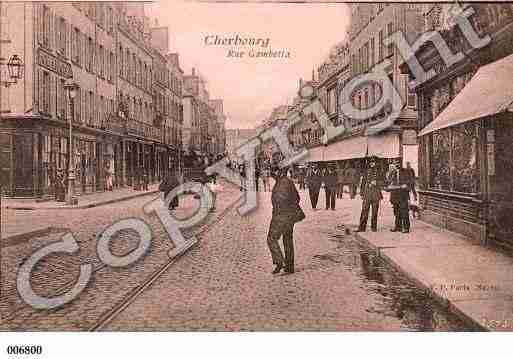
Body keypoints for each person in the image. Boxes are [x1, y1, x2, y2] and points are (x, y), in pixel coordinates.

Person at [267, 166, 305, 274]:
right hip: (290, 217)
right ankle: (289, 266)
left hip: (280, 217)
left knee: (271, 239)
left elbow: (279, 202)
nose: (272, 175)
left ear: (278, 172)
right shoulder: (288, 181)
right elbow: (297, 198)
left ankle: (280, 262)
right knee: (287, 239)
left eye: (273, 172)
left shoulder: (281, 183)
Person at [355, 156, 383, 233]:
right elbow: (363, 182)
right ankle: (361, 227)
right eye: (370, 162)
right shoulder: (366, 171)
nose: (372, 164)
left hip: (376, 194)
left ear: (376, 163)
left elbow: (384, 182)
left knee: (374, 212)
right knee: (364, 211)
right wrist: (361, 192)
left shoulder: (380, 171)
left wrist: (377, 183)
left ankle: (373, 227)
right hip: (367, 194)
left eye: (373, 162)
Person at [386, 161, 411, 233]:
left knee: (404, 211)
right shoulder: (392, 172)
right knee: (396, 212)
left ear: (401, 164)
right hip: (395, 195)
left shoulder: (405, 172)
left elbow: (410, 181)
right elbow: (388, 182)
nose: (397, 165)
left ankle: (406, 228)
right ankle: (398, 227)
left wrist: (406, 185)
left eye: (398, 163)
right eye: (395, 163)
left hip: (403, 195)